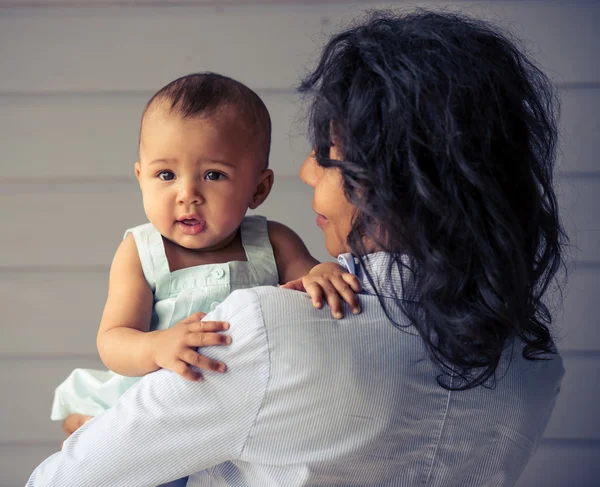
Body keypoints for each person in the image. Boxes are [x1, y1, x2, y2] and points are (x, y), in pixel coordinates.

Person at [28, 9, 566, 486]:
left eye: (328, 156)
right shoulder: (533, 359)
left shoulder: (261, 333)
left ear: (398, 182)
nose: (307, 171)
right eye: (165, 174)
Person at [50, 72, 362, 438]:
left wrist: (324, 271)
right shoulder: (142, 251)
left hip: (241, 406)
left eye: (213, 175)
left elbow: (310, 280)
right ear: (140, 178)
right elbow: (114, 339)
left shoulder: (272, 241)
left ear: (258, 189)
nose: (187, 194)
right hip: (156, 406)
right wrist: (157, 346)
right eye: (166, 174)